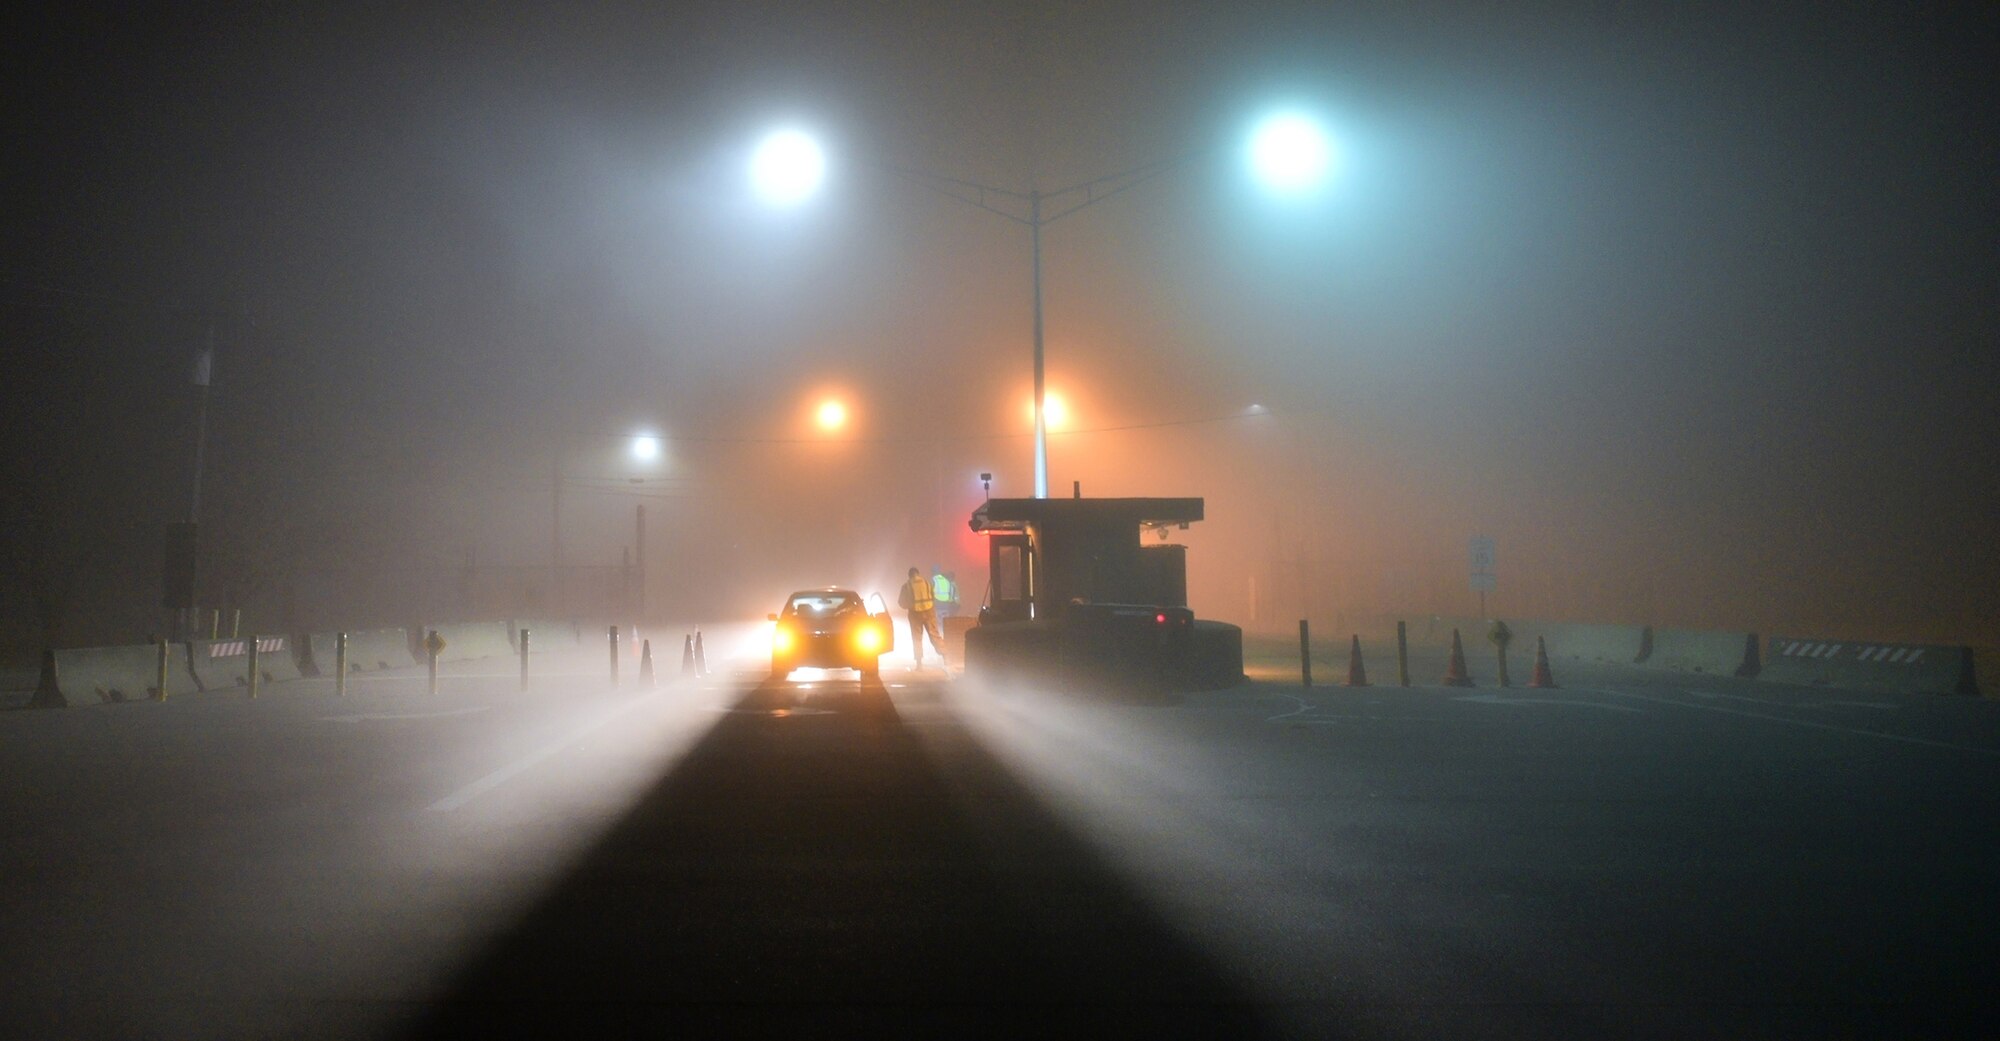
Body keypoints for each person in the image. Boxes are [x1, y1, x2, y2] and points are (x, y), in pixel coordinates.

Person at [899, 565, 945, 669]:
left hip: (915, 613)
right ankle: (945, 657)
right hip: (929, 612)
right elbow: (933, 597)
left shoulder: (907, 585)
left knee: (917, 638)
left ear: (909, 575)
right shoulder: (927, 583)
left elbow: (901, 602)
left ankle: (919, 664)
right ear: (918, 573)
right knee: (935, 635)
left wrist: (909, 606)